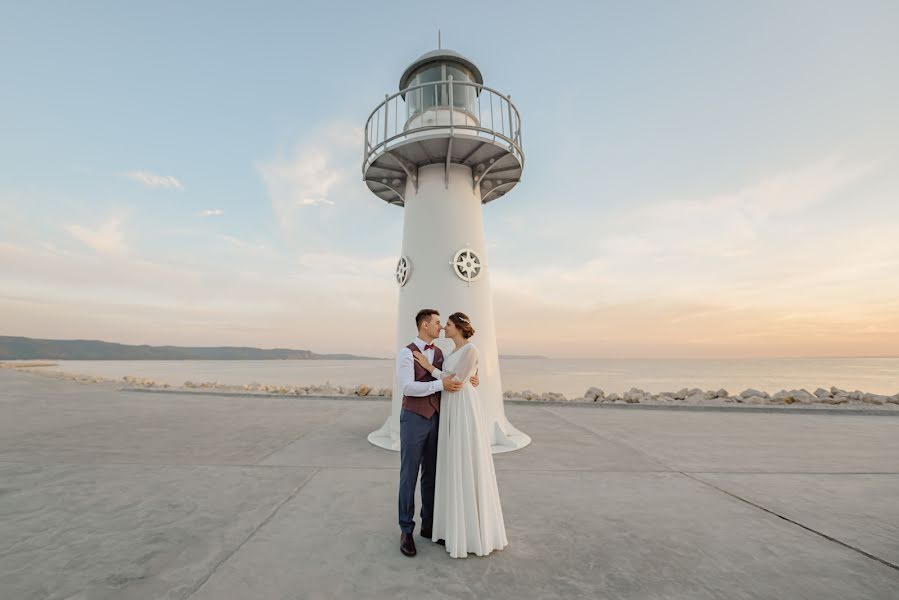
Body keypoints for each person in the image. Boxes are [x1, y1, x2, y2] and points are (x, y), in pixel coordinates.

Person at [413, 311, 508, 558]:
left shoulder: (471, 350)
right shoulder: (452, 353)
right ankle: (450, 527)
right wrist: (457, 376)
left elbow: (456, 381)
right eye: (442, 324)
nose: (444, 327)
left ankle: (469, 531)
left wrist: (429, 368)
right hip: (449, 407)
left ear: (459, 327)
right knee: (451, 462)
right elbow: (461, 378)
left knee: (464, 459)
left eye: (448, 324)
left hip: (463, 407)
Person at [396, 308, 479, 557]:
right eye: (436, 323)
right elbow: (408, 387)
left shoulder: (442, 353)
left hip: (438, 420)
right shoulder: (406, 352)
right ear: (424, 325)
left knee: (432, 476)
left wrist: (473, 378)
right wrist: (439, 383)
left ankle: (429, 525)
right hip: (413, 418)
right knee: (409, 476)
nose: (441, 327)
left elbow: (454, 376)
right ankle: (406, 530)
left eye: (443, 323)